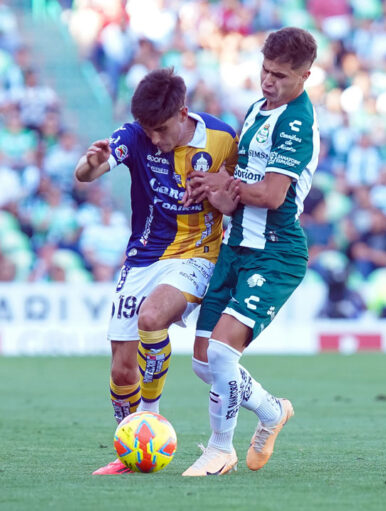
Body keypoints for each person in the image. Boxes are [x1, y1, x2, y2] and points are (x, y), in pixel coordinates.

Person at [73, 68, 239, 475]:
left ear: (183, 113)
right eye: (148, 130)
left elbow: (237, 200)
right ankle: (129, 451)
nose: (155, 139)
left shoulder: (222, 139)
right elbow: (86, 173)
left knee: (151, 317)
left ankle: (150, 420)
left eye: (162, 130)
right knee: (121, 368)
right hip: (143, 256)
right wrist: (91, 164)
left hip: (198, 253)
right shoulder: (135, 136)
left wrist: (219, 193)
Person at [180, 27, 319, 476]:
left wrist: (227, 183)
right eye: (265, 70)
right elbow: (239, 191)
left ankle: (221, 450)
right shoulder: (258, 109)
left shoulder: (297, 122)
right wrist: (214, 191)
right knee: (205, 363)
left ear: (305, 76)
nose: (268, 81)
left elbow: (273, 195)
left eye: (280, 75)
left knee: (223, 354)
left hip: (275, 252)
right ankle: (272, 411)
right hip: (235, 246)